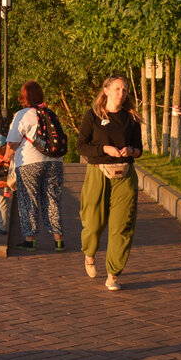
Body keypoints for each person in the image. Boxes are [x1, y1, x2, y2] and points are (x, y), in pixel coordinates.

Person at [76, 75, 143, 291]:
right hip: (98, 173)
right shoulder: (93, 116)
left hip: (124, 175)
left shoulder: (130, 118)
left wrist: (130, 151)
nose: (121, 93)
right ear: (105, 90)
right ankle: (89, 254)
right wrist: (103, 149)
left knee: (122, 225)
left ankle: (113, 273)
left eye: (124, 90)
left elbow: (139, 149)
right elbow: (81, 147)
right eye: (116, 89)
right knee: (94, 223)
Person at [5, 81, 64, 252]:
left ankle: (30, 240)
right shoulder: (50, 114)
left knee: (28, 200)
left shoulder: (22, 115)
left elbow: (13, 141)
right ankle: (58, 240)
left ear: (24, 97)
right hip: (54, 161)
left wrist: (6, 158)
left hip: (30, 162)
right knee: (52, 199)